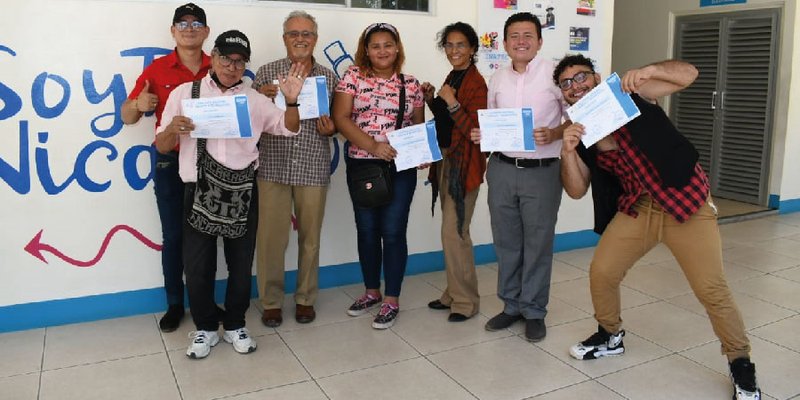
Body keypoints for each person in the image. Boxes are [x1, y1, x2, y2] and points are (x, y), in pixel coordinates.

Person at [556, 54, 761, 400]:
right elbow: (576, 190)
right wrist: (567, 152)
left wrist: (649, 70)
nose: (576, 86)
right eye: (566, 83)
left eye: (581, 77)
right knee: (602, 272)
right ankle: (610, 335)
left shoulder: (630, 95)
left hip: (686, 200)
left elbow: (690, 73)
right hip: (639, 207)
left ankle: (740, 361)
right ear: (563, 94)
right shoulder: (580, 129)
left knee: (711, 289)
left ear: (596, 77)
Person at [156, 30, 306, 359]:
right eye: (226, 58)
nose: (232, 66)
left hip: (242, 191)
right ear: (213, 56)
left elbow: (289, 127)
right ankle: (206, 327)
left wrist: (292, 101)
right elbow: (162, 145)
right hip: (198, 189)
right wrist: (172, 130)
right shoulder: (186, 93)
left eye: (239, 61)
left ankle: (236, 323)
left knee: (240, 264)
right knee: (197, 267)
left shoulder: (253, 99)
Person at [470, 12, 567, 341]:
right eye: (514, 35)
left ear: (539, 41)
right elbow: (493, 126)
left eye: (528, 35)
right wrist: (482, 136)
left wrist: (554, 133)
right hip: (501, 169)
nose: (521, 41)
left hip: (542, 172)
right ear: (505, 42)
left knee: (538, 243)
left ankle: (534, 310)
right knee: (507, 241)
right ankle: (511, 305)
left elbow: (575, 119)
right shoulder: (496, 78)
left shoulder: (556, 74)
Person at [121, 3, 212, 333]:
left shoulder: (219, 67)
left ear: (206, 31)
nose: (190, 28)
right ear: (173, 31)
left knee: (205, 235)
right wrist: (137, 104)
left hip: (210, 162)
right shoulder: (156, 70)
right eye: (183, 23)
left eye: (197, 23)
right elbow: (127, 117)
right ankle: (175, 303)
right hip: (169, 160)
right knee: (174, 235)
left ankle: (203, 300)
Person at [332, 22, 425, 330]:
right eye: (376, 46)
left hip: (400, 169)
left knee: (394, 232)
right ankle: (372, 292)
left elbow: (416, 126)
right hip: (363, 165)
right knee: (368, 230)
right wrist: (373, 145)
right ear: (366, 50)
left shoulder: (411, 84)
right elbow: (340, 118)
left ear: (397, 48)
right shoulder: (352, 77)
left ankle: (392, 299)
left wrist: (421, 153)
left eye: (388, 44)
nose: (382, 50)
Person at [251, 10, 338, 328]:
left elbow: (338, 120)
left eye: (307, 33)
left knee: (310, 239)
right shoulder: (265, 72)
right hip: (273, 165)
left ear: (315, 38)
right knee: (271, 239)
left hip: (313, 164)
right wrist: (259, 97)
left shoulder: (329, 77)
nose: (300, 39)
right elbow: (251, 121)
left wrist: (332, 130)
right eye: (293, 33)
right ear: (284, 38)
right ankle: (271, 301)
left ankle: (305, 299)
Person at [420, 22, 487, 322]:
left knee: (454, 232)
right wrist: (433, 99)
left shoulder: (476, 82)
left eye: (460, 45)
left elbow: (474, 130)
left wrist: (451, 101)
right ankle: (453, 293)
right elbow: (448, 122)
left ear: (473, 48)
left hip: (465, 165)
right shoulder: (454, 76)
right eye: (449, 45)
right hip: (447, 161)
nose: (454, 50)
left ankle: (465, 302)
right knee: (453, 233)